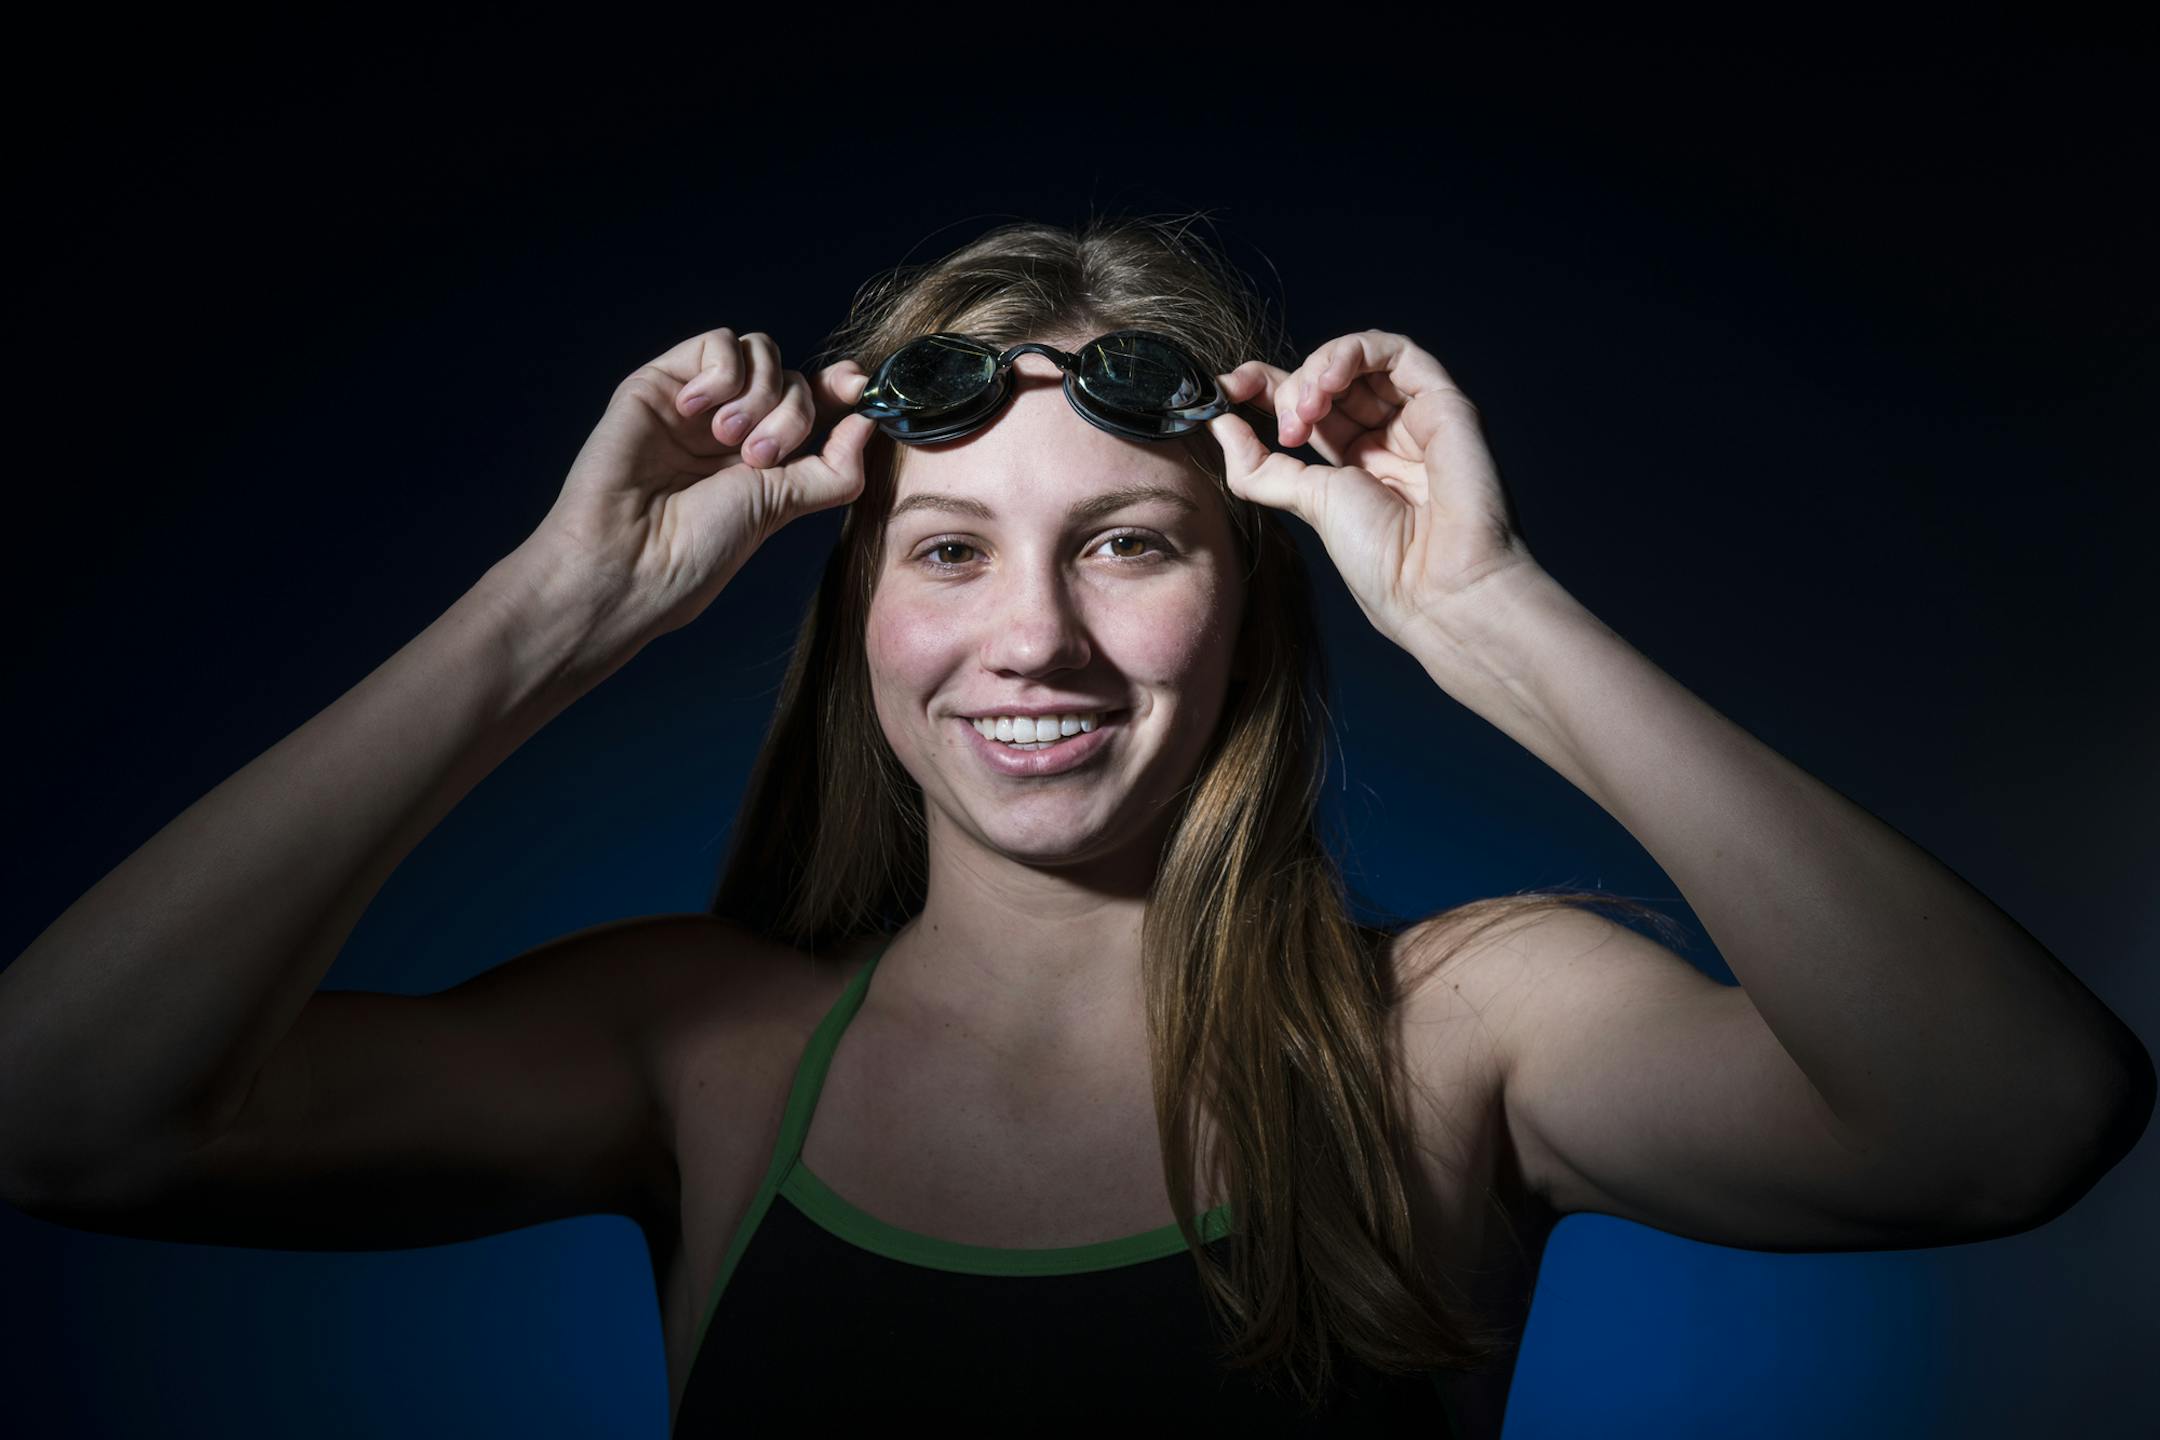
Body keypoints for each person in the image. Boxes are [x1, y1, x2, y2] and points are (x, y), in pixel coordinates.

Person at [1, 216, 2145, 1439]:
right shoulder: (703, 1047)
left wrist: (1486, 616)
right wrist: (551, 616)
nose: (1032, 638)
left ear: (1254, 589)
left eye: (1129, 542)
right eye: (945, 553)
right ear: (848, 606)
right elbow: (64, 1115)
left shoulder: (1472, 1031)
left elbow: (2011, 1123)